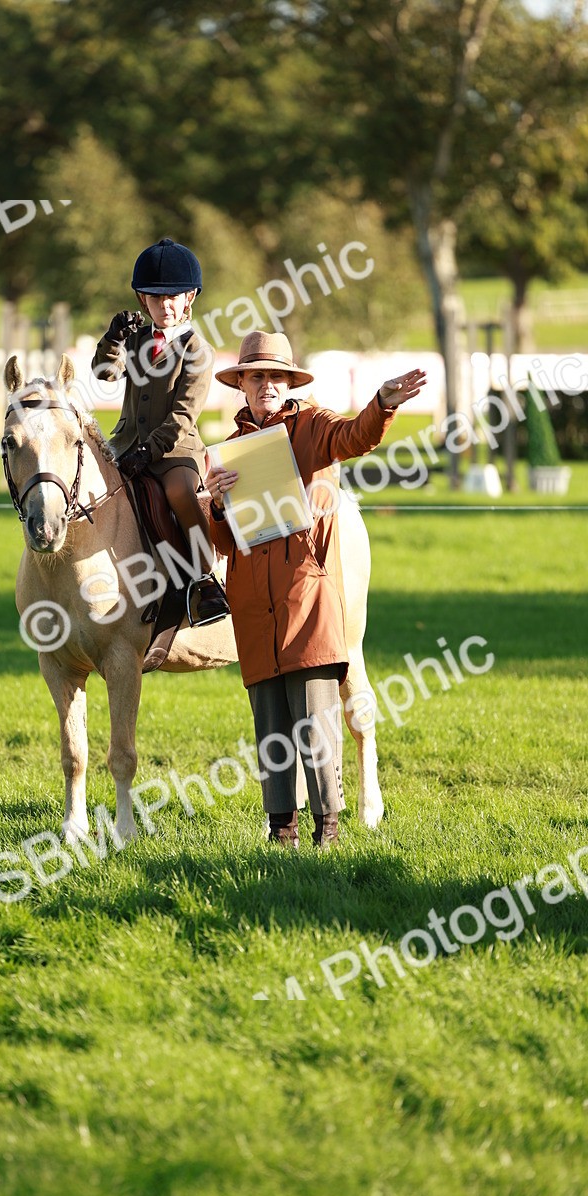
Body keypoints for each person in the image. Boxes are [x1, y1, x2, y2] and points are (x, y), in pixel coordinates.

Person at [205, 331, 426, 849]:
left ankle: (327, 832)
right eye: (255, 376)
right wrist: (215, 505)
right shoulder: (231, 449)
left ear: (289, 381)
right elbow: (223, 540)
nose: (265, 385)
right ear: (242, 384)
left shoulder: (314, 425)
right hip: (254, 605)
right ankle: (282, 836)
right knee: (270, 727)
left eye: (274, 376)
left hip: (306, 595)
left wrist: (383, 404)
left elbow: (355, 437)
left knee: (314, 722)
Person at [93, 238, 228, 622]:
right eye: (155, 298)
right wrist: (113, 338)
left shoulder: (198, 351)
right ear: (142, 299)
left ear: (189, 298)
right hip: (125, 444)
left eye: (173, 298)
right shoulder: (134, 339)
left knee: (181, 494)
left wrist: (149, 451)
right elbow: (104, 374)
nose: (165, 306)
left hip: (174, 452)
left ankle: (205, 583)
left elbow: (183, 416)